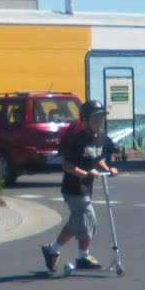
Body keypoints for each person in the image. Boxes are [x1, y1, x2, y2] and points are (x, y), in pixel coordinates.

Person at [41, 99, 118, 274]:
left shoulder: (100, 138)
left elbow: (98, 157)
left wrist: (108, 169)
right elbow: (66, 166)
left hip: (86, 188)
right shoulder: (78, 140)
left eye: (101, 119)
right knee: (88, 217)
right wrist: (86, 174)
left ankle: (52, 250)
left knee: (76, 223)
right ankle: (83, 256)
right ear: (84, 121)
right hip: (73, 189)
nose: (98, 123)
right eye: (95, 119)